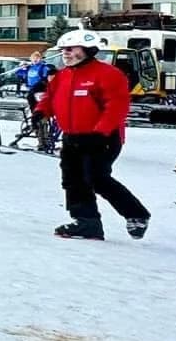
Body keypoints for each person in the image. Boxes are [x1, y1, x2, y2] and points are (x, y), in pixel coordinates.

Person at [41, 28, 149, 239]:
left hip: (102, 138)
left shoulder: (108, 74)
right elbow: (50, 98)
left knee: (97, 178)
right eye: (64, 50)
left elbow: (117, 106)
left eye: (71, 49)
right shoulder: (62, 76)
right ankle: (86, 222)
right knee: (72, 180)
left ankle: (136, 214)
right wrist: (40, 112)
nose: (66, 53)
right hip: (72, 137)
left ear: (88, 50)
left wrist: (101, 132)